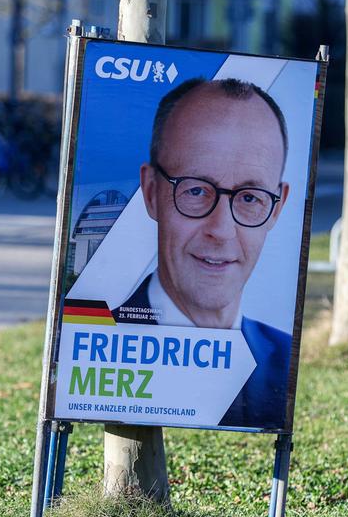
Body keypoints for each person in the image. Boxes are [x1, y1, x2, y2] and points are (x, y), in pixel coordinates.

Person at [113, 78, 291, 429]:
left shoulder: (284, 359)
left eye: (250, 197)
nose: (221, 230)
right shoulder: (100, 338)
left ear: (276, 208)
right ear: (151, 192)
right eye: (196, 190)